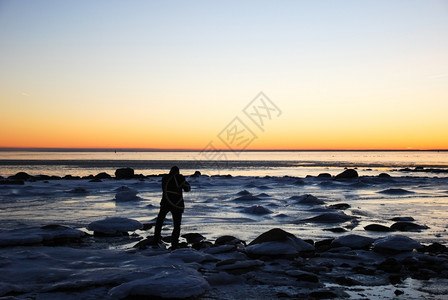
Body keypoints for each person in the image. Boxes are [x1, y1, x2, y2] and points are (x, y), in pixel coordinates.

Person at [154, 166, 191, 249]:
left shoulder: (165, 178)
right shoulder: (179, 178)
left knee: (160, 220)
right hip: (176, 204)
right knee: (177, 225)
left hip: (165, 202)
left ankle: (156, 238)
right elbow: (187, 189)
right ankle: (174, 243)